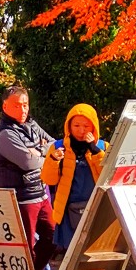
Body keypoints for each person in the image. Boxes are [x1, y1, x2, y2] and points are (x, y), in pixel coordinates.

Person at [0, 84, 54, 270]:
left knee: (53, 237)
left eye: (25, 104)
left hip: (40, 192)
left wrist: (38, 151)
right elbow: (28, 162)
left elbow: (56, 145)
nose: (22, 109)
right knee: (26, 246)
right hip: (22, 197)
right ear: (5, 107)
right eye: (17, 105)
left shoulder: (32, 125)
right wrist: (43, 153)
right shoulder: (6, 133)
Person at [42, 104, 106, 253]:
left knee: (95, 253)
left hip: (97, 209)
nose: (81, 130)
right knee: (71, 254)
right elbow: (49, 180)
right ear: (68, 126)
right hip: (68, 211)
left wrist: (94, 150)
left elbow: (108, 177)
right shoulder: (58, 147)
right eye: (76, 125)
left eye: (86, 126)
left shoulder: (104, 147)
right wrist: (53, 159)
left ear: (94, 127)